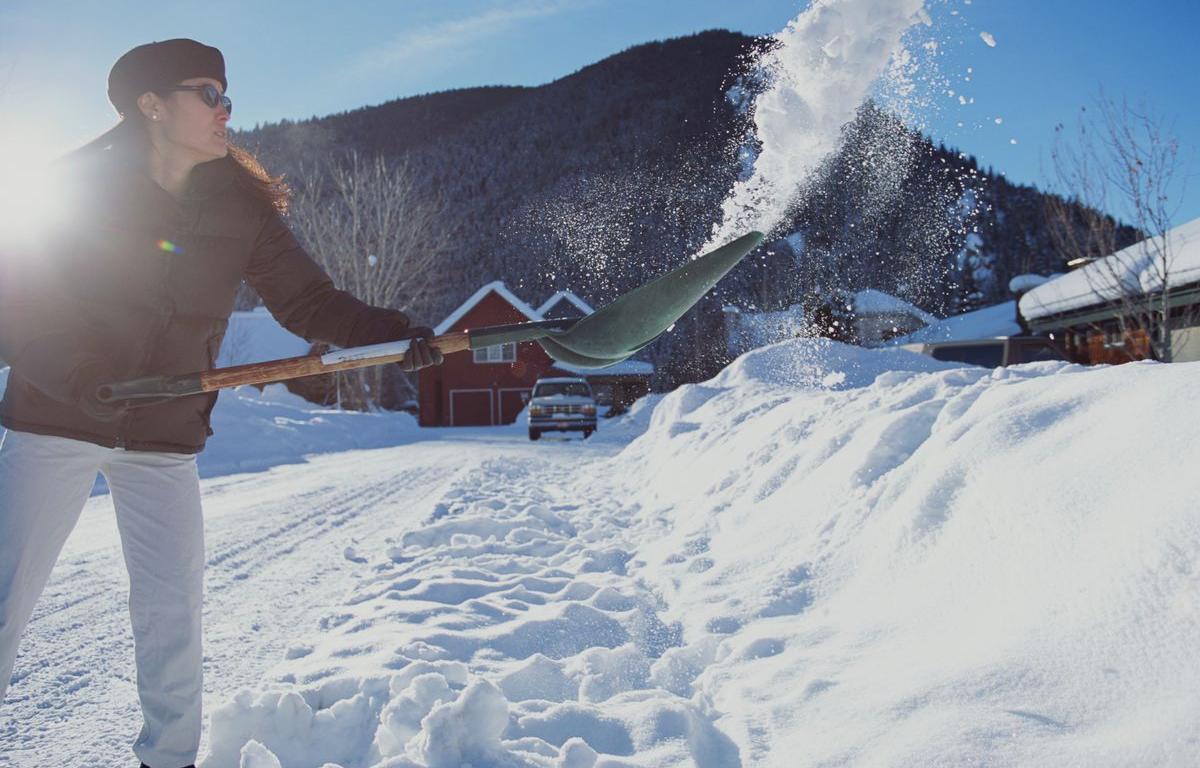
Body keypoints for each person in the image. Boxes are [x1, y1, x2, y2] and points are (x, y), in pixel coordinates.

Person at [0, 39, 443, 768]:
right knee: (7, 596)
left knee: (173, 613)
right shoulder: (71, 190)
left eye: (228, 96)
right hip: (59, 416)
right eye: (208, 94)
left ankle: (168, 761)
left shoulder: (242, 209)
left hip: (165, 431)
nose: (226, 111)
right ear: (150, 104)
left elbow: (308, 300)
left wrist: (393, 333)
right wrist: (80, 377)